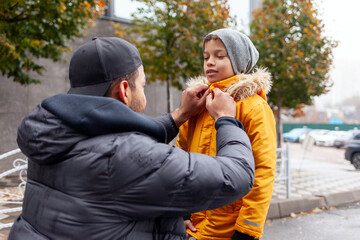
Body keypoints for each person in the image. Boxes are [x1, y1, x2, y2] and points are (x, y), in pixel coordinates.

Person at [8, 37, 255, 240]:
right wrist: (226, 120)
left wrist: (178, 116)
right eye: (143, 86)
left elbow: (113, 133)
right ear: (125, 91)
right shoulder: (124, 157)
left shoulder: (52, 134)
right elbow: (236, 176)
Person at [176, 29, 277, 240]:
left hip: (228, 229)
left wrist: (247, 229)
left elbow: (262, 170)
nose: (210, 62)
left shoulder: (254, 107)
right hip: (193, 226)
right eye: (206, 57)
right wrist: (181, 210)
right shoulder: (198, 103)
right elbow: (180, 159)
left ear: (239, 62)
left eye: (219, 56)